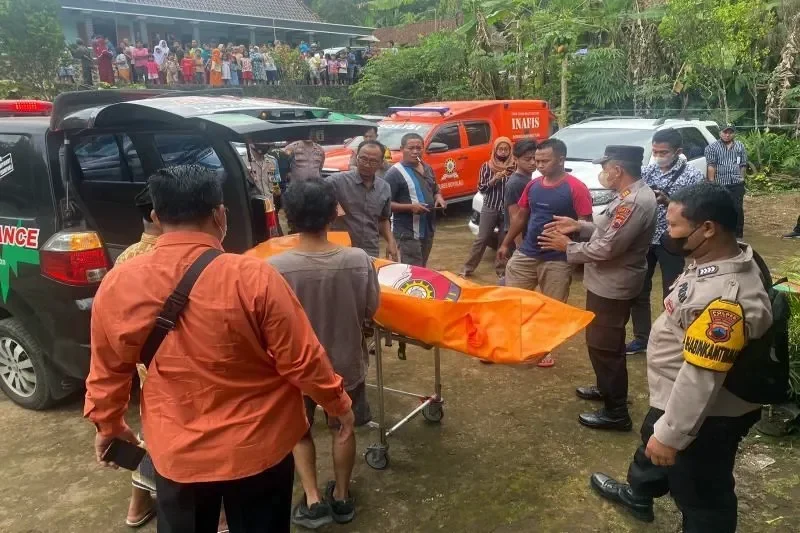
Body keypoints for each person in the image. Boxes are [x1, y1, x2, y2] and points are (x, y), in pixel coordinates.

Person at [85, 165, 354, 533]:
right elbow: (303, 361)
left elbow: (108, 369)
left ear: (156, 217)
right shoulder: (253, 277)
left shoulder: (119, 283)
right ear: (219, 214)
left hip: (178, 450)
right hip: (261, 447)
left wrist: (109, 424)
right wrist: (338, 404)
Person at [589, 182, 771, 532]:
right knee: (651, 437)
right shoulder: (715, 256)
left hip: (706, 414)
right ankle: (640, 492)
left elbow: (701, 379)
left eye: (673, 227)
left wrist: (671, 435)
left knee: (703, 494)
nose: (667, 234)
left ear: (707, 228)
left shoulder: (728, 300)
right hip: (675, 397)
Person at [268, 179, 380, 529]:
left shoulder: (272, 268)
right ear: (334, 213)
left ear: (290, 217)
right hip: (345, 364)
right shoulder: (358, 259)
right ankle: (343, 498)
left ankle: (313, 499)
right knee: (343, 426)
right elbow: (370, 308)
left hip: (292, 371)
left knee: (299, 431)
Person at [539, 146, 656, 430]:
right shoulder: (629, 196)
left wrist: (569, 247)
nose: (603, 173)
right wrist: (578, 225)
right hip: (608, 282)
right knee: (603, 343)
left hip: (612, 285)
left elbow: (607, 247)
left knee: (605, 346)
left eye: (605, 167)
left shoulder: (634, 202)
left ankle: (616, 412)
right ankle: (607, 388)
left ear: (618, 170)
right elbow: (609, 231)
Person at [498, 139, 592, 367]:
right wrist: (505, 243)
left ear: (561, 159)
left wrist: (569, 243)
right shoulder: (533, 185)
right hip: (527, 253)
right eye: (536, 160)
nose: (539, 165)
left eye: (545, 160)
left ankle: (543, 349)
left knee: (552, 308)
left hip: (558, 259)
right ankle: (506, 344)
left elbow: (586, 224)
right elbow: (521, 216)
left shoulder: (576, 187)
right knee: (512, 300)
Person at [626, 128, 705, 355]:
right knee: (639, 289)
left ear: (678, 151)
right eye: (655, 151)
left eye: (664, 152)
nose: (659, 155)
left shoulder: (692, 176)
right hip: (645, 239)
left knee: (672, 291)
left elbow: (696, 212)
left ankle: (671, 338)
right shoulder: (647, 172)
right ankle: (642, 338)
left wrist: (668, 202)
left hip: (672, 240)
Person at [383, 133, 447, 267]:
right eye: (410, 148)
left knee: (422, 267)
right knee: (412, 270)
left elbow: (435, 189)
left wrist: (439, 198)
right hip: (407, 233)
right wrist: (410, 207)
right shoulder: (394, 173)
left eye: (419, 148)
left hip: (428, 229)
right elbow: (385, 204)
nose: (415, 151)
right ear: (401, 149)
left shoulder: (427, 167)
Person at [329, 140, 399, 261]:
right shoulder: (337, 181)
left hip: (370, 249)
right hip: (340, 249)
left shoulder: (384, 187)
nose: (366, 164)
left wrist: (391, 241)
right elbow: (315, 199)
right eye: (363, 159)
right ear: (356, 158)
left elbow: (383, 219)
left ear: (381, 163)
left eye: (373, 161)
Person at [460, 137, 516, 278]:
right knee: (482, 238)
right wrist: (493, 180)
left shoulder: (515, 167)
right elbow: (481, 188)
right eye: (500, 149)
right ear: (495, 150)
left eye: (506, 149)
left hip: (508, 210)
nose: (503, 152)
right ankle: (468, 268)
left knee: (504, 241)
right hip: (490, 206)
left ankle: (501, 271)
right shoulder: (487, 166)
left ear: (510, 151)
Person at [498, 139, 538, 265]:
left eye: (534, 158)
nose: (532, 163)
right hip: (519, 239)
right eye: (527, 159)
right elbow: (515, 217)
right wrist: (520, 248)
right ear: (515, 159)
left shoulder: (529, 179)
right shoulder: (515, 183)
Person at [705, 123, 748, 238]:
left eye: (730, 132)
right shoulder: (712, 147)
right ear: (720, 133)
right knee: (720, 208)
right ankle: (721, 234)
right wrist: (712, 183)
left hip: (736, 183)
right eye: (725, 132)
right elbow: (711, 166)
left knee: (737, 208)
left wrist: (742, 178)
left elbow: (743, 164)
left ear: (734, 133)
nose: (727, 135)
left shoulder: (740, 146)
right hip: (720, 183)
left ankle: (738, 235)